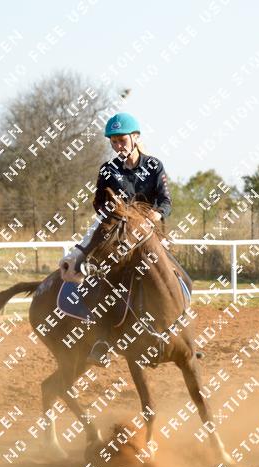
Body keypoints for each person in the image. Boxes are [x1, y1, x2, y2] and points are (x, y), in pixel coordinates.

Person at [59, 112, 173, 364]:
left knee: (175, 274)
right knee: (106, 280)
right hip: (121, 237)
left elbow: (166, 201)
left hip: (150, 234)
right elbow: (99, 203)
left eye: (122, 140)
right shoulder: (107, 170)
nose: (118, 146)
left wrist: (154, 215)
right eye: (114, 142)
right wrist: (115, 215)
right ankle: (102, 340)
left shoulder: (154, 166)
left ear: (135, 138)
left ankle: (180, 330)